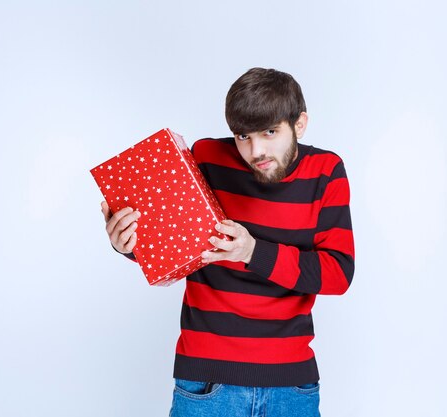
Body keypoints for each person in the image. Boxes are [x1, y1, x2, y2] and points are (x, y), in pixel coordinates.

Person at [100, 67, 354, 417]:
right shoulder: (206, 157)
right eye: (243, 136)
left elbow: (338, 274)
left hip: (291, 387)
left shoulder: (326, 171)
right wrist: (127, 244)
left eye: (270, 132)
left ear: (300, 124)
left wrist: (253, 251)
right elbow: (174, 246)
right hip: (206, 382)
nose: (256, 150)